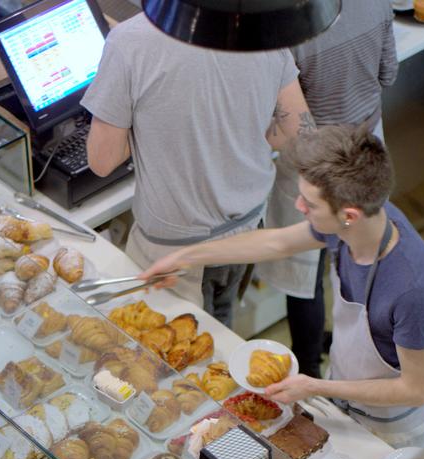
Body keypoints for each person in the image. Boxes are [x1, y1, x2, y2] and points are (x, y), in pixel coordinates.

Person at [139, 125, 424, 449]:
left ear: (349, 215)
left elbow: (417, 389)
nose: (298, 206)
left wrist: (315, 387)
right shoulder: (357, 223)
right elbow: (277, 243)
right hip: (344, 393)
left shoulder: (412, 291)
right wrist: (184, 258)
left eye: (310, 204)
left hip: (389, 430)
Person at [81, 11, 315, 328]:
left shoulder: (129, 41)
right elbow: (294, 130)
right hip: (247, 228)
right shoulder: (262, 20)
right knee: (220, 327)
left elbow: (102, 161)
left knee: (176, 355)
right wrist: (239, 133)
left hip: (176, 248)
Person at [258, 0, 399, 377]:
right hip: (367, 148)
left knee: (304, 273)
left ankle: (308, 371)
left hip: (313, 163)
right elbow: (388, 74)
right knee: (362, 264)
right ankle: (361, 361)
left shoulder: (287, 23)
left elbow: (291, 121)